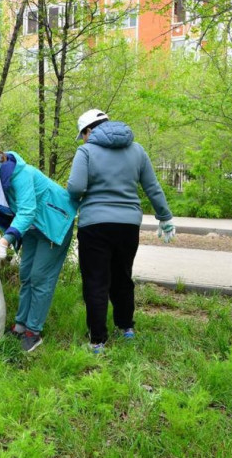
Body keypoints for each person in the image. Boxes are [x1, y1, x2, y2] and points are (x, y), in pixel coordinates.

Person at [67, 109, 175, 354]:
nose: (83, 139)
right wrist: (165, 217)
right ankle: (126, 328)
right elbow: (152, 186)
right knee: (122, 276)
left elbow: (75, 187)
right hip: (128, 225)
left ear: (89, 130)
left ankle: (98, 341)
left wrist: (79, 196)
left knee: (96, 281)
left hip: (94, 224)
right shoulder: (137, 150)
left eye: (83, 134)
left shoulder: (86, 151)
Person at [0, 139, 77, 352]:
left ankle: (34, 332)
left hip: (54, 222)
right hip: (29, 228)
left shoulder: (20, 173)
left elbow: (28, 210)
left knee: (40, 277)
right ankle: (21, 326)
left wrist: (4, 241)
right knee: (26, 274)